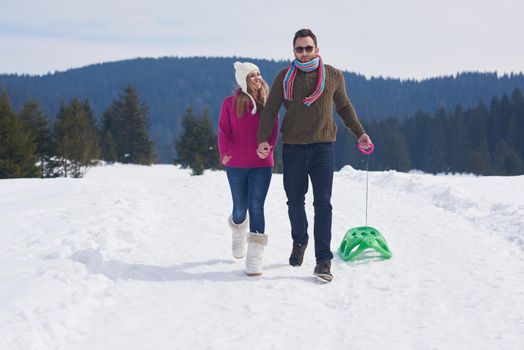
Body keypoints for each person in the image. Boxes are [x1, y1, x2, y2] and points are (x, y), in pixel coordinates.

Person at [256, 29, 372, 282]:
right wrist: (264, 139)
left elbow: (343, 107)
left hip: (323, 148)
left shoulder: (333, 75)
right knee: (294, 202)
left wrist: (360, 133)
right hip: (294, 147)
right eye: (300, 49)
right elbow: (270, 110)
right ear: (294, 51)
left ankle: (323, 261)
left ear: (317, 49)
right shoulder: (284, 77)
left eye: (309, 48)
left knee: (323, 204)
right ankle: (300, 240)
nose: (305, 53)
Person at [218, 61, 278, 276]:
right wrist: (224, 151)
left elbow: (273, 129)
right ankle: (238, 230)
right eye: (252, 75)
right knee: (240, 206)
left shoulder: (268, 103)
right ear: (243, 80)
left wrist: (268, 147)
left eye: (259, 74)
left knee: (256, 206)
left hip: (261, 164)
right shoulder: (229, 103)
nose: (257, 78)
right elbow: (224, 130)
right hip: (235, 163)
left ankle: (255, 257)